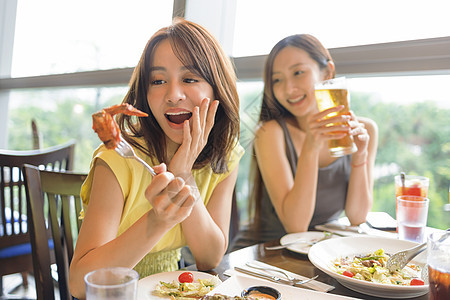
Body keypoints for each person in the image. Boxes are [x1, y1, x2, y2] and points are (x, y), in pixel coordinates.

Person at [69, 18, 243, 299]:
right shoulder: (117, 160)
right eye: (158, 81)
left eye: (190, 78)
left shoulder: (225, 155)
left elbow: (209, 257)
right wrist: (158, 219)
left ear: (216, 88)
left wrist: (183, 174)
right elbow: (80, 284)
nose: (173, 95)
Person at [231, 34, 377, 250]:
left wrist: (360, 156)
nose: (289, 89)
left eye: (298, 73)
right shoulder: (271, 133)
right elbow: (296, 226)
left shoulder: (365, 130)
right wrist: (311, 148)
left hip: (317, 254)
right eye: (277, 79)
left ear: (327, 72)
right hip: (264, 256)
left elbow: (357, 217)